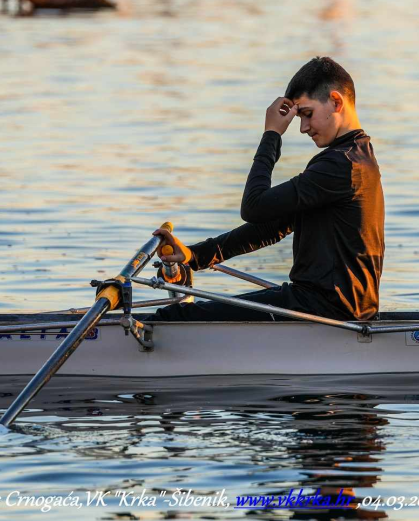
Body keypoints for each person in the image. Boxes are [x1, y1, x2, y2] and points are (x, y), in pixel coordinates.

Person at [149, 57, 384, 322]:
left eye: (307, 114)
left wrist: (271, 135)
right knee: (182, 314)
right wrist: (196, 255)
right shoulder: (354, 159)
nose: (304, 128)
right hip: (330, 307)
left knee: (171, 318)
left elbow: (253, 207)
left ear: (336, 101)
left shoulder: (343, 164)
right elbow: (272, 226)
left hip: (323, 310)